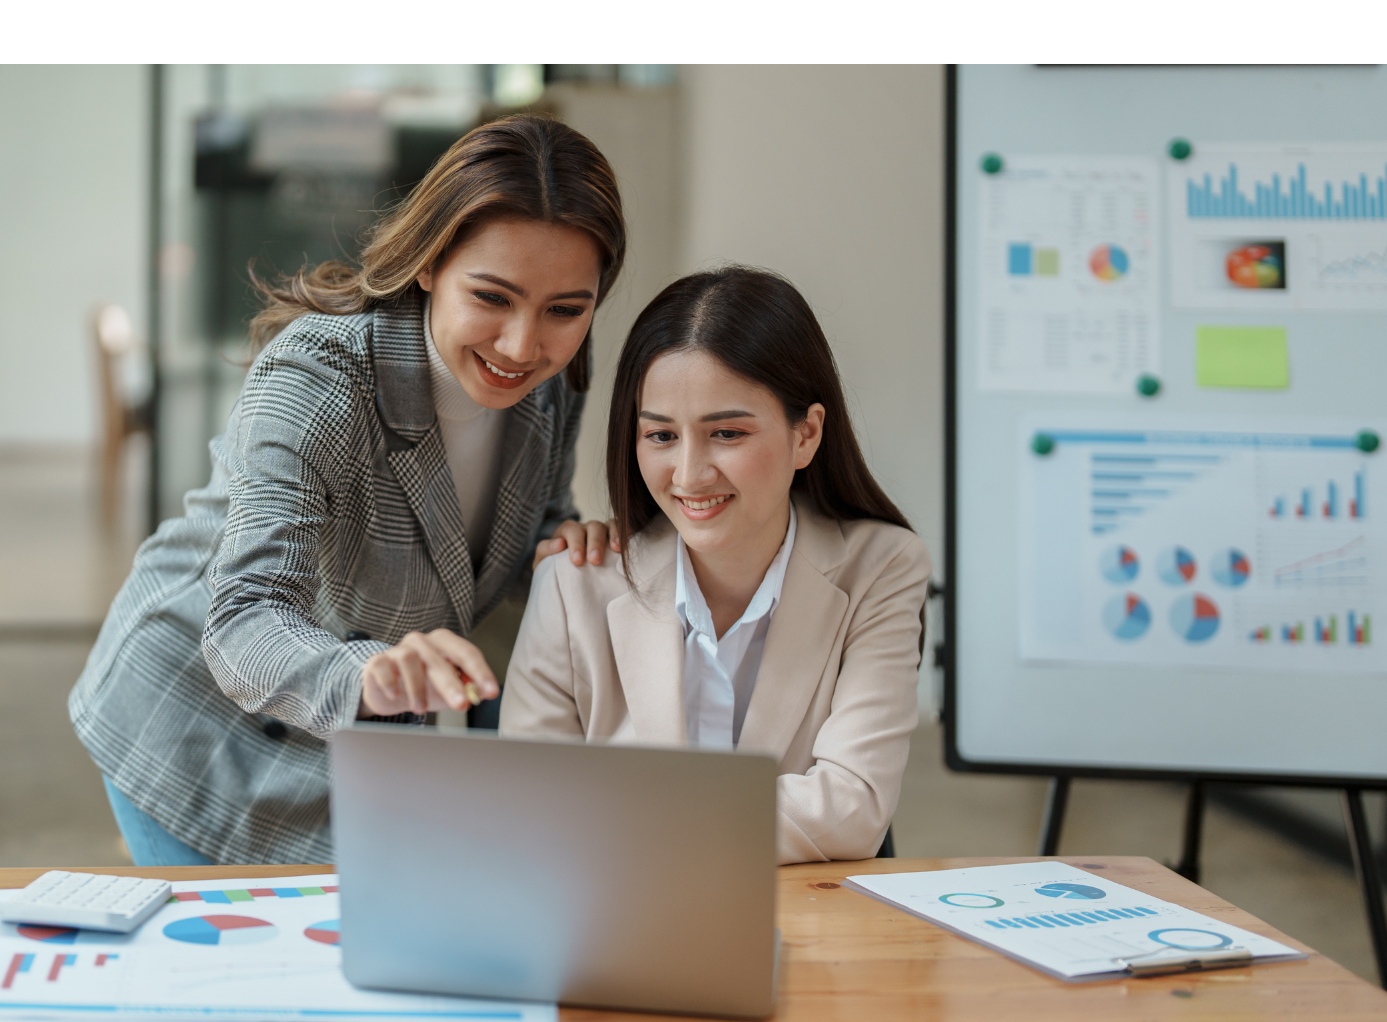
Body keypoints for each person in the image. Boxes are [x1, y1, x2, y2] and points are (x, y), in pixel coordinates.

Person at [72, 114, 628, 866]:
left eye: (565, 309)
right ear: (430, 262)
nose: (522, 345)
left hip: (352, 746)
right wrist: (369, 673)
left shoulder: (551, 382)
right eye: (492, 297)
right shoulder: (319, 381)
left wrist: (563, 541)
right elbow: (244, 622)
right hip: (194, 726)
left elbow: (522, 519)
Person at [500, 266, 931, 863]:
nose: (688, 475)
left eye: (726, 433)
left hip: (808, 928)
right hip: (622, 931)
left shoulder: (881, 567)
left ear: (806, 435)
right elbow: (526, 809)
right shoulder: (574, 581)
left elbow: (852, 809)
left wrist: (615, 817)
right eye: (660, 437)